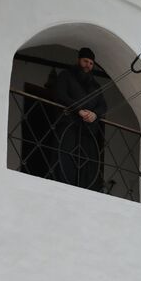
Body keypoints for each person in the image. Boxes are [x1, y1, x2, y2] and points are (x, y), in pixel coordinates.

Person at [53, 47, 107, 188]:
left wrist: (95, 114)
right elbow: (61, 94)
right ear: (78, 60)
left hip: (88, 130)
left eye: (91, 63)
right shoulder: (66, 75)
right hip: (68, 124)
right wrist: (79, 110)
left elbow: (103, 106)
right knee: (65, 156)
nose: (88, 65)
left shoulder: (95, 86)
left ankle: (84, 188)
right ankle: (63, 185)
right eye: (85, 61)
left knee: (86, 162)